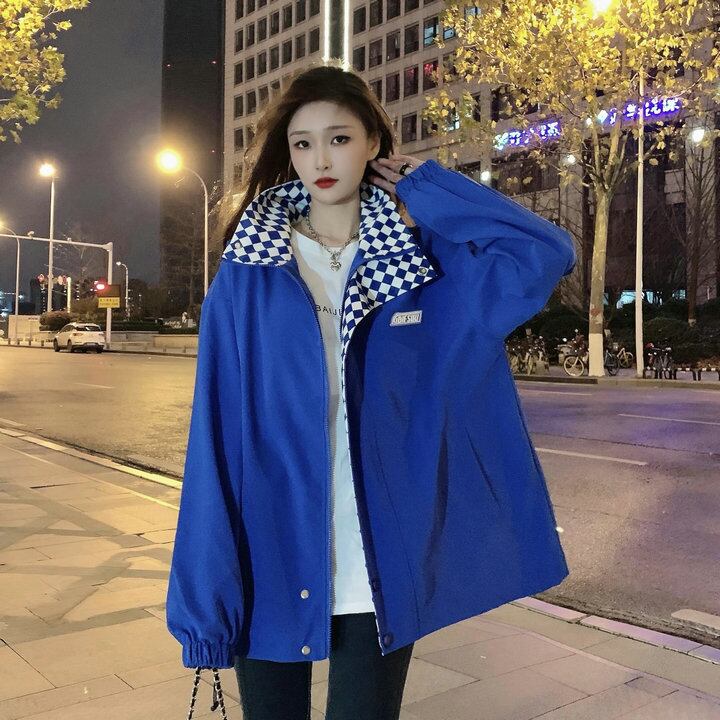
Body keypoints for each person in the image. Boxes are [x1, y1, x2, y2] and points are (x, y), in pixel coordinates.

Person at [166, 60, 577, 720]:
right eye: (303, 143)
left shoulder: (423, 267)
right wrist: (204, 602)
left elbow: (544, 253)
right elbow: (212, 439)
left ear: (374, 145)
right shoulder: (248, 273)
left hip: (376, 564)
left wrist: (431, 189)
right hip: (269, 553)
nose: (322, 159)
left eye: (340, 138)